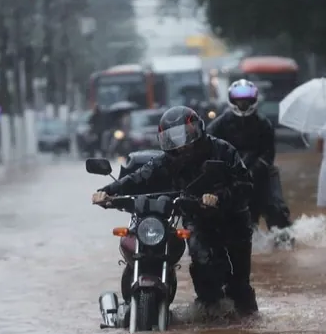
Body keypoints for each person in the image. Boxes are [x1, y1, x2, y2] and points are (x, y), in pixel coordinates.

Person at [91, 106, 259, 316]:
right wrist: (107, 192)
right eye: (172, 140)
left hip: (233, 221)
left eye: (185, 136)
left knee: (239, 285)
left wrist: (219, 197)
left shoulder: (223, 151)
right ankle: (209, 313)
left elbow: (246, 185)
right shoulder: (166, 160)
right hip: (197, 218)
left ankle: (247, 326)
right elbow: (138, 178)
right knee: (202, 263)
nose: (181, 146)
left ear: (197, 131)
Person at [207, 79, 293, 236]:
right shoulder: (217, 125)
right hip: (230, 177)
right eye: (239, 100)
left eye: (246, 100)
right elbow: (210, 153)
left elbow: (268, 155)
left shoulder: (264, 124)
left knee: (277, 210)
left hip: (260, 174)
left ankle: (285, 242)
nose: (243, 103)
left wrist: (252, 171)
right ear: (233, 100)